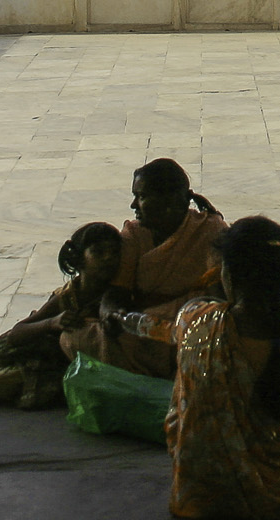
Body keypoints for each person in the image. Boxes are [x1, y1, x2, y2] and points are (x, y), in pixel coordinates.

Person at [113, 215, 280, 520]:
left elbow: (161, 328)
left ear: (226, 275)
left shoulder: (197, 320)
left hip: (203, 495)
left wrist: (123, 318)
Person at [64, 158, 226, 378]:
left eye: (141, 197)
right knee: (75, 336)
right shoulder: (134, 234)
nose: (133, 205)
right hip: (144, 326)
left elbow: (220, 297)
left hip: (191, 324)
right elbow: (117, 292)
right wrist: (112, 313)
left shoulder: (210, 230)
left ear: (168, 200)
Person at [0, 221, 122, 409]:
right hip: (31, 347)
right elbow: (17, 333)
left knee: (0, 384)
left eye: (114, 252)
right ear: (79, 259)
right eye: (98, 252)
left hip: (56, 364)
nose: (108, 258)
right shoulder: (68, 296)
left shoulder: (117, 294)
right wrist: (52, 323)